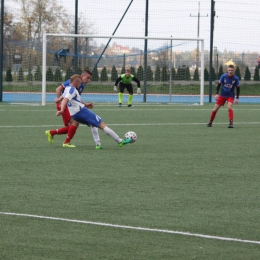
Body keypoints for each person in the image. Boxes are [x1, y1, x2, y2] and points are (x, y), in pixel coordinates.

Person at [56, 74, 132, 147]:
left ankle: (98, 144)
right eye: (80, 83)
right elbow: (65, 99)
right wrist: (62, 110)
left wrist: (57, 100)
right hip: (81, 112)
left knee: (93, 124)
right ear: (76, 83)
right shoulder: (72, 90)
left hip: (75, 115)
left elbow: (62, 98)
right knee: (101, 124)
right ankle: (120, 141)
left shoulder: (67, 88)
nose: (80, 85)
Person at [45, 70, 102, 149]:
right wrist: (61, 103)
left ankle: (51, 133)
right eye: (87, 78)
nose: (89, 80)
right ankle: (66, 142)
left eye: (90, 78)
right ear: (82, 76)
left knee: (71, 126)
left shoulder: (81, 85)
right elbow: (58, 89)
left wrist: (85, 104)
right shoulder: (73, 81)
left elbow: (75, 98)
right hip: (64, 105)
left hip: (68, 105)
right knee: (75, 122)